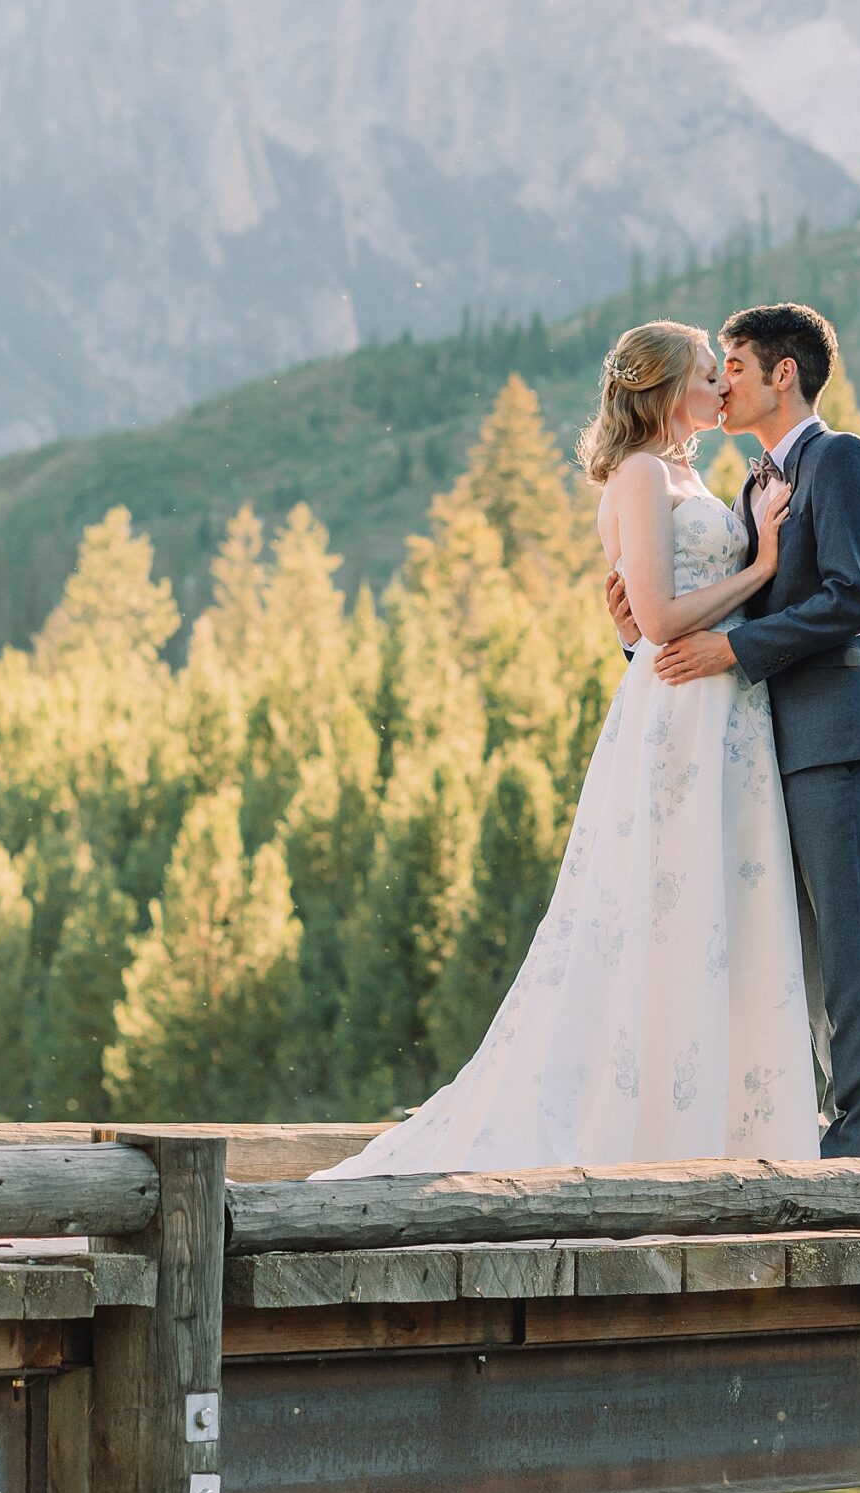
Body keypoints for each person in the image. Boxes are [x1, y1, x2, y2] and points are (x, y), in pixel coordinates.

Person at [316, 318, 820, 1176]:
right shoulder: (637, 474)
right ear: (667, 388)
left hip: (729, 713)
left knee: (719, 906)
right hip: (678, 712)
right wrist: (762, 565)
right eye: (708, 373)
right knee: (660, 905)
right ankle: (641, 1127)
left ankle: (721, 1125)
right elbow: (657, 619)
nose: (722, 385)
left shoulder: (697, 475)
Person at [623, 301, 860, 1157]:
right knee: (776, 952)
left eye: (737, 369)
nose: (723, 386)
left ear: (782, 374)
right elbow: (720, 614)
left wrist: (731, 648)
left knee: (851, 946)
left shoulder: (839, 460)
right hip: (756, 747)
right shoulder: (753, 487)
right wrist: (643, 638)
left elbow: (853, 598)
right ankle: (789, 1125)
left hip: (836, 739)